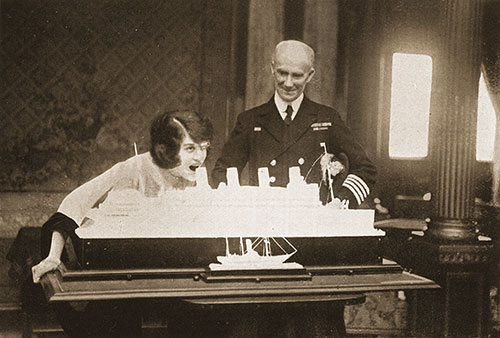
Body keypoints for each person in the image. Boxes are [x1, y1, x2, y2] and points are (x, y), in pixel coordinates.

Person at [31, 110, 213, 337]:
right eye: (190, 149)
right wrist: (53, 256)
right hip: (122, 273)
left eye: (204, 147)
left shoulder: (193, 173)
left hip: (171, 274)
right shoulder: (132, 168)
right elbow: (72, 205)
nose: (200, 157)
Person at [212, 40, 376, 208]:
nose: (288, 83)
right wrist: (239, 206)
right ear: (272, 69)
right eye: (282, 73)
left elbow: (365, 169)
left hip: (312, 223)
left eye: (297, 75)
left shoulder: (327, 118)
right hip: (265, 223)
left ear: (310, 75)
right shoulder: (249, 120)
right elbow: (222, 173)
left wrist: (340, 201)